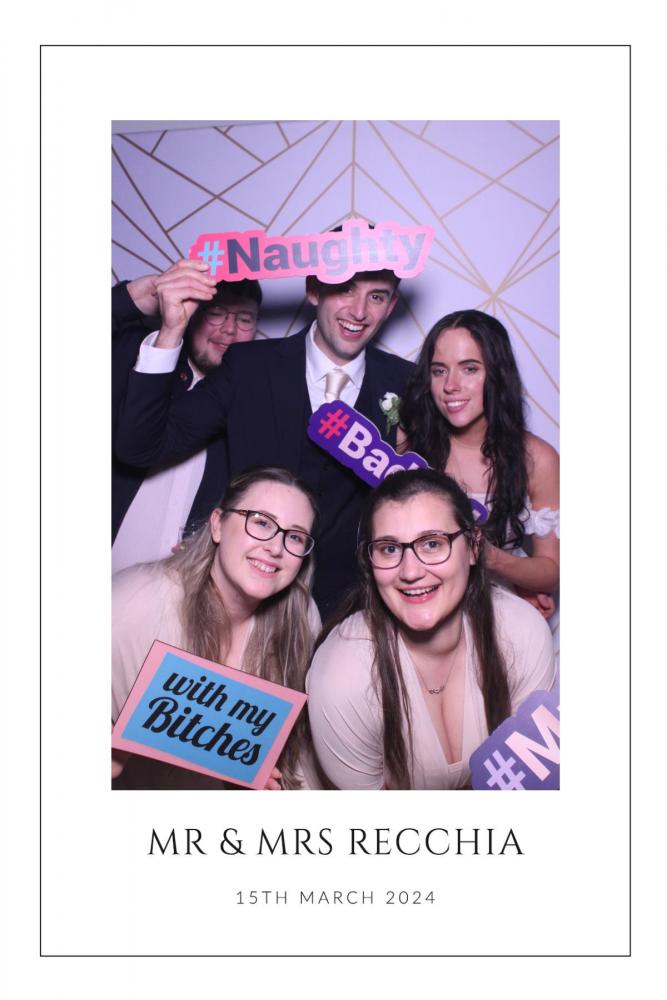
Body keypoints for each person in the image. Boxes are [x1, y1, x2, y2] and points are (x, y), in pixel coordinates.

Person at [115, 244, 415, 617]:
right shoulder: (247, 366)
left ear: (391, 305)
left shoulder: (406, 382)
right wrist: (171, 332)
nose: (359, 311)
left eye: (377, 296)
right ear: (314, 289)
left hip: (347, 611)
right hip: (236, 605)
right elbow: (140, 448)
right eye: (345, 288)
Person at [306, 469, 555, 790]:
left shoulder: (521, 630)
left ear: (474, 548)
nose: (410, 571)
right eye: (389, 549)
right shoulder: (343, 675)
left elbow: (526, 786)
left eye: (433, 544)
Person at [112, 466, 319, 790]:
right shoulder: (135, 603)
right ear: (218, 524)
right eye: (261, 522)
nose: (276, 547)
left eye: (294, 536)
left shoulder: (303, 618)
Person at [398, 310, 559, 616]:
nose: (451, 385)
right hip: (423, 606)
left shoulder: (537, 458)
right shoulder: (408, 449)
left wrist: (493, 558)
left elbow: (551, 571)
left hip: (501, 611)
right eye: (439, 371)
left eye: (469, 369)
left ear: (497, 374)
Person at [112, 261, 262, 572]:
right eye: (216, 313)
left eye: (244, 319)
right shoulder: (137, 360)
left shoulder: (252, 407)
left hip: (181, 587)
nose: (229, 329)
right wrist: (131, 298)